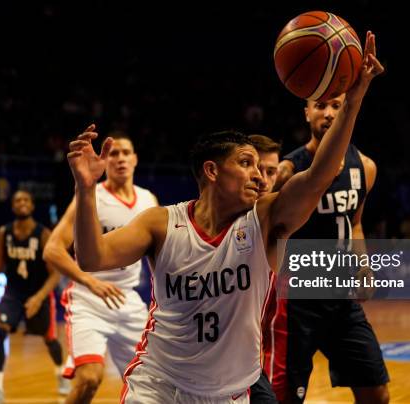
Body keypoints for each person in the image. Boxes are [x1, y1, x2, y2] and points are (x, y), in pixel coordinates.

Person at [67, 31, 382, 404]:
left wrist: (355, 99)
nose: (258, 175)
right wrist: (86, 189)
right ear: (213, 172)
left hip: (231, 393)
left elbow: (319, 176)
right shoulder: (161, 223)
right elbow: (92, 258)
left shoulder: (265, 218)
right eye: (246, 163)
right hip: (159, 386)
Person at [266, 97, 389, 402]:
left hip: (341, 298)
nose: (329, 113)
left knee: (377, 393)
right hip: (297, 302)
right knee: (287, 397)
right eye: (320, 106)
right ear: (306, 112)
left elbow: (355, 223)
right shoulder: (287, 170)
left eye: (336, 105)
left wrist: (363, 267)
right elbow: (269, 230)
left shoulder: (366, 167)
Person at [43, 132, 158, 404]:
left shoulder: (148, 200)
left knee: (152, 384)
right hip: (88, 298)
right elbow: (52, 249)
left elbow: (158, 254)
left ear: (135, 159)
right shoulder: (91, 195)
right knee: (89, 380)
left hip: (128, 301)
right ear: (105, 160)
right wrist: (91, 282)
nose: (120, 158)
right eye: (114, 153)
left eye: (126, 152)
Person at [0, 190, 70, 404]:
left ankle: (61, 375)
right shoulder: (3, 233)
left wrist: (39, 297)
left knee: (50, 339)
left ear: (32, 206)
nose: (21, 203)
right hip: (13, 293)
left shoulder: (43, 234)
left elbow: (55, 274)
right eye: (17, 200)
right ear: (13, 206)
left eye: (25, 200)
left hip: (39, 293)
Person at [248, 134, 282, 404]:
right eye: (258, 169)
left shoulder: (276, 213)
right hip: (196, 361)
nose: (263, 178)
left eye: (272, 171)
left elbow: (318, 177)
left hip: (243, 360)